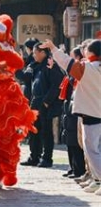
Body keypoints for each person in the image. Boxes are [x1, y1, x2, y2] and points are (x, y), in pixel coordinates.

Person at [43, 39, 101, 195]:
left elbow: (66, 62)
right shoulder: (89, 67)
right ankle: (96, 180)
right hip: (95, 112)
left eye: (86, 49)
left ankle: (99, 179)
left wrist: (54, 49)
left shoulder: (86, 68)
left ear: (91, 52)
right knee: (94, 149)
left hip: (91, 113)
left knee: (92, 150)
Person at [20, 42, 64, 168]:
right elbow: (26, 77)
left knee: (46, 132)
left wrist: (46, 102)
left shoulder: (51, 64)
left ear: (43, 53)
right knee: (34, 131)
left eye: (35, 53)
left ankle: (46, 158)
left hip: (45, 104)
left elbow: (56, 85)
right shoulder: (36, 65)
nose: (33, 55)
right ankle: (34, 156)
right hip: (35, 102)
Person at [58, 47, 86, 179]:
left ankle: (78, 169)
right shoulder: (71, 71)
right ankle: (72, 167)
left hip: (76, 108)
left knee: (76, 142)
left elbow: (74, 82)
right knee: (69, 140)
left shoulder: (81, 70)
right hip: (68, 106)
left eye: (72, 57)